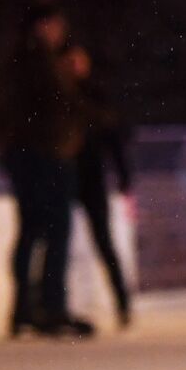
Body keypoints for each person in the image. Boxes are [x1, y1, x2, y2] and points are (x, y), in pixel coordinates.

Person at [0, 4, 93, 338]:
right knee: (53, 230)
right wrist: (74, 75)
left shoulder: (20, 60)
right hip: (45, 153)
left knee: (34, 230)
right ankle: (50, 308)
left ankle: (27, 309)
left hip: (31, 152)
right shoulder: (40, 62)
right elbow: (60, 104)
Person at [67, 45, 134, 328]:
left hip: (90, 178)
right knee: (58, 243)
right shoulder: (59, 98)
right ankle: (53, 305)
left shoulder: (94, 97)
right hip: (64, 178)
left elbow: (113, 138)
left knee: (103, 242)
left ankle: (123, 303)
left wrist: (123, 176)